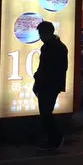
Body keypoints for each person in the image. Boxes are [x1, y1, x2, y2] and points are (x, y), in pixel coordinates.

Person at [33, 21, 68, 151]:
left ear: (47, 33)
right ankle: (53, 139)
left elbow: (53, 69)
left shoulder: (56, 48)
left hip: (50, 85)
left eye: (41, 34)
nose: (40, 37)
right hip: (47, 84)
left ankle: (55, 139)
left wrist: (40, 80)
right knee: (46, 113)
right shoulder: (50, 46)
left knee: (46, 113)